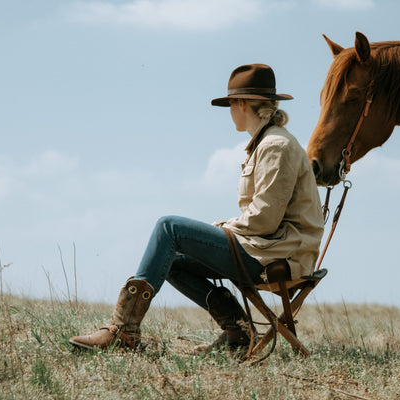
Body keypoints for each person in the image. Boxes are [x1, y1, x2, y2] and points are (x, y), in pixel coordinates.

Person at [69, 64, 324, 352]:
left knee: (169, 228)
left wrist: (223, 229)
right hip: (266, 250)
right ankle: (238, 331)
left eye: (230, 104)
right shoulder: (267, 142)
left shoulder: (276, 145)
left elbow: (264, 220)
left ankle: (122, 330)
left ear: (241, 104)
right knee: (173, 260)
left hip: (276, 257)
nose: (229, 111)